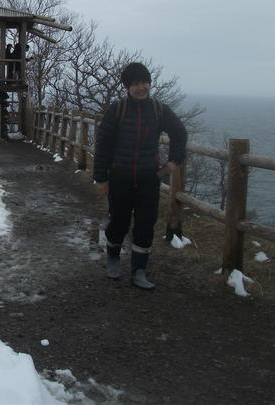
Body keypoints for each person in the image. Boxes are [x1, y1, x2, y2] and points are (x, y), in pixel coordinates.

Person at [93, 62, 187, 289]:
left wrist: (174, 160)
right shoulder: (117, 110)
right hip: (120, 177)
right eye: (135, 83)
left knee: (146, 224)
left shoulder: (158, 109)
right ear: (127, 86)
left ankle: (139, 271)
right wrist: (102, 178)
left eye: (144, 82)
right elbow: (103, 144)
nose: (141, 87)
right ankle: (113, 258)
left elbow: (179, 132)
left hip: (148, 178)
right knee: (118, 221)